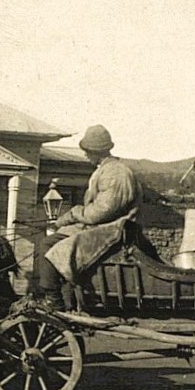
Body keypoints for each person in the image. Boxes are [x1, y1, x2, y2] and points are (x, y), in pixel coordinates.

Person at [35, 124, 142, 310]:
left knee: (49, 246)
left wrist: (72, 214)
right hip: (105, 229)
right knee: (56, 238)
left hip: (113, 232)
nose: (85, 155)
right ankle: (62, 294)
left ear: (96, 151)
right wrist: (61, 222)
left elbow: (100, 212)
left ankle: (53, 299)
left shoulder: (116, 173)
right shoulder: (106, 169)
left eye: (87, 151)